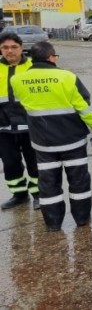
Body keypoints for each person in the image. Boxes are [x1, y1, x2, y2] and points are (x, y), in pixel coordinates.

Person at [10, 42, 92, 232]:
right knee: (79, 182)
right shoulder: (67, 77)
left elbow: (21, 104)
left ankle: (53, 223)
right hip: (73, 141)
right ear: (51, 57)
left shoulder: (17, 80)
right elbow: (84, 107)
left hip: (42, 143)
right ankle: (82, 220)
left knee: (48, 184)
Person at [0, 32, 40, 210]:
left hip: (30, 126)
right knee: (10, 163)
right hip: (4, 128)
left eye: (14, 47)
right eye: (5, 47)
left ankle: (39, 194)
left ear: (21, 48)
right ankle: (19, 195)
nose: (10, 51)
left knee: (35, 162)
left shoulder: (34, 68)